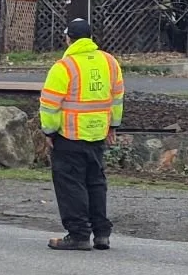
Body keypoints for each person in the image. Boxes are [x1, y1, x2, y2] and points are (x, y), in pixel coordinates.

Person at [40, 17, 125, 251]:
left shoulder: (64, 66)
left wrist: (49, 131)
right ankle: (101, 233)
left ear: (68, 38)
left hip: (69, 135)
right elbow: (117, 98)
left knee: (71, 184)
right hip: (98, 133)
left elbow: (49, 104)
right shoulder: (110, 63)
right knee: (95, 182)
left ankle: (78, 234)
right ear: (90, 37)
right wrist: (113, 126)